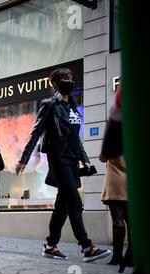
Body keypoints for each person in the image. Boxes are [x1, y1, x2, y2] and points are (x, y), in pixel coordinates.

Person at [15, 67, 110, 262]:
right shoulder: (49, 105)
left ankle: (50, 245)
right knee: (74, 201)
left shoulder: (73, 107)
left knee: (63, 206)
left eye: (70, 77)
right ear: (55, 83)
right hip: (58, 159)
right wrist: (24, 158)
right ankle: (86, 247)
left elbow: (75, 138)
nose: (69, 80)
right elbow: (36, 132)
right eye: (64, 78)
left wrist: (85, 159)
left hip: (72, 161)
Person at [99, 85, 132, 270]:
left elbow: (104, 155)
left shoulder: (116, 128)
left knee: (118, 223)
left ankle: (116, 256)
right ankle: (130, 257)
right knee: (131, 223)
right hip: (131, 184)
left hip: (115, 183)